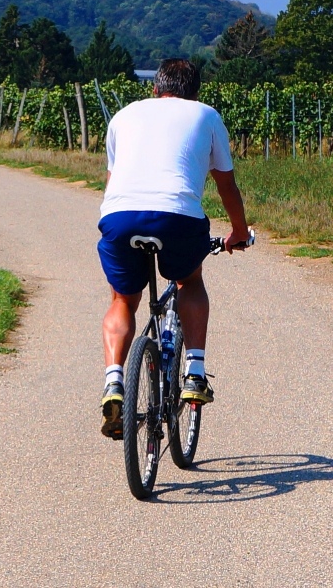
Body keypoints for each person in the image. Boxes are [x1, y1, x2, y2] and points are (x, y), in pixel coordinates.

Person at [97, 58, 251, 440]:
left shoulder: (124, 115)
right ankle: (195, 373)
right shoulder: (206, 115)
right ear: (195, 92)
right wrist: (238, 231)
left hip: (119, 217)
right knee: (188, 282)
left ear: (155, 88)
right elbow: (226, 187)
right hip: (178, 217)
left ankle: (114, 382)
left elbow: (113, 180)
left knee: (122, 300)